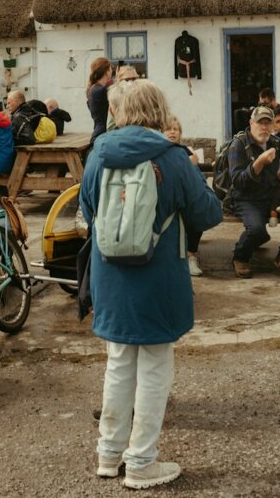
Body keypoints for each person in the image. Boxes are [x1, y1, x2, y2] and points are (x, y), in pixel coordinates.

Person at [80, 79, 222, 489]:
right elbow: (208, 214)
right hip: (158, 275)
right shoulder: (173, 157)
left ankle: (108, 454)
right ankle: (141, 462)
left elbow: (88, 212)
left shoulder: (98, 155)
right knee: (156, 364)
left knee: (119, 361)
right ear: (158, 109)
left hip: (111, 276)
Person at [226, 106, 280, 281]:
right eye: (260, 123)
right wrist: (258, 163)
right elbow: (238, 183)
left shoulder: (276, 142)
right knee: (257, 229)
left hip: (274, 196)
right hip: (247, 199)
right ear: (251, 123)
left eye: (268, 123)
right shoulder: (239, 145)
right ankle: (240, 257)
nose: (264, 127)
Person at [162, 113, 205, 278]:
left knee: (198, 211)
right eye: (168, 129)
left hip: (185, 196)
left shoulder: (185, 150)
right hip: (168, 197)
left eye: (176, 129)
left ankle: (190, 255)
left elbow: (194, 179)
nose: (173, 132)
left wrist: (193, 165)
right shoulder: (160, 150)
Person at [86, 57, 113, 145]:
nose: (112, 71)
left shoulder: (94, 88)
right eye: (111, 69)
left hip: (100, 131)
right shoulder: (101, 90)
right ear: (107, 71)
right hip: (102, 133)